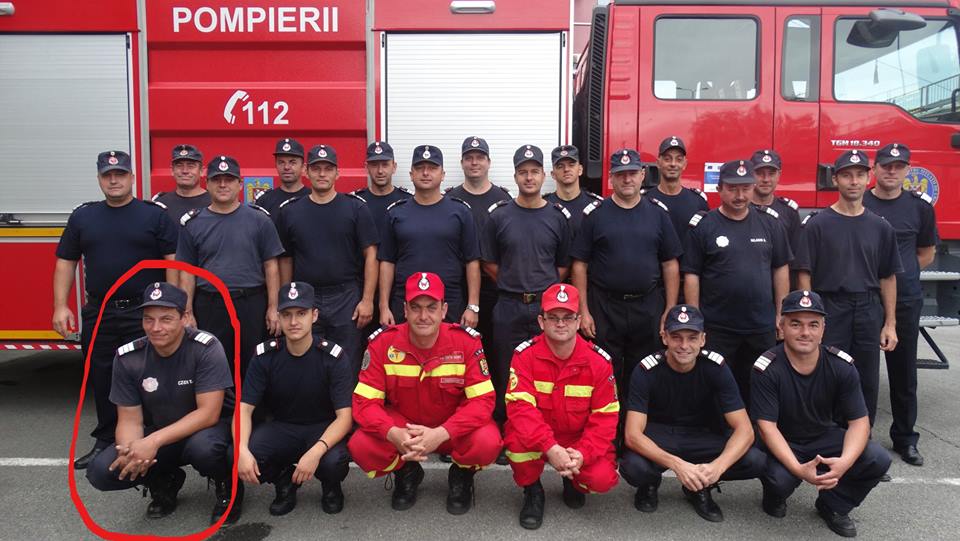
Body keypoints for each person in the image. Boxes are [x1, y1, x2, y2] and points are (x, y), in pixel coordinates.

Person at [53, 150, 178, 470]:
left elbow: (173, 263)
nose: (114, 180)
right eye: (107, 175)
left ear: (132, 178)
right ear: (99, 179)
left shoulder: (154, 216)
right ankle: (107, 440)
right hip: (101, 312)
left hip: (145, 312)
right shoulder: (83, 217)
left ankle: (154, 439)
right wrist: (60, 306)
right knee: (104, 376)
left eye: (120, 174)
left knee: (151, 375)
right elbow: (66, 261)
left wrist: (176, 308)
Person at [85, 282, 239, 525]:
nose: (156, 328)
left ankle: (227, 484)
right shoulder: (129, 357)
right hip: (163, 429)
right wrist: (131, 452)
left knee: (205, 450)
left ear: (184, 318)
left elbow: (208, 414)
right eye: (149, 319)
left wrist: (152, 441)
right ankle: (163, 479)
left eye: (166, 319)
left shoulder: (205, 348)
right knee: (102, 471)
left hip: (207, 430)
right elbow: (129, 420)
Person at [348, 272, 500, 515]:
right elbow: (364, 403)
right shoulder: (382, 344)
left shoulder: (466, 343)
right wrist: (393, 434)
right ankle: (406, 471)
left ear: (444, 310)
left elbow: (483, 401)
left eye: (431, 307)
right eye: (416, 307)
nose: (423, 316)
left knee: (487, 442)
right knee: (361, 445)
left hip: (450, 429)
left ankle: (462, 474)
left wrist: (442, 433)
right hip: (404, 432)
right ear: (405, 310)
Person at [752, 290, 891, 538]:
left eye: (813, 325)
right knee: (779, 479)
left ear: (823, 329)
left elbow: (860, 423)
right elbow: (767, 427)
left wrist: (844, 462)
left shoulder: (841, 365)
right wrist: (799, 470)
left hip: (823, 435)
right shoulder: (767, 367)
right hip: (785, 439)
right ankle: (775, 495)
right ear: (781, 327)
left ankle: (833, 505)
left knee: (876, 458)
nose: (805, 332)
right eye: (796, 324)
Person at [620, 304, 764, 523]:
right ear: (664, 337)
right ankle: (649, 484)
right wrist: (678, 465)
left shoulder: (716, 367)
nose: (684, 345)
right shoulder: (646, 370)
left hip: (702, 435)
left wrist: (717, 468)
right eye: (676, 337)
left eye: (692, 338)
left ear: (703, 339)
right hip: (660, 436)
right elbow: (632, 435)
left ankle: (700, 485)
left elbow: (745, 430)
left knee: (755, 460)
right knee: (634, 467)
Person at [570, 148, 681, 428]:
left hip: (647, 306)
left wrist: (669, 309)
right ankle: (609, 432)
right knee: (605, 371)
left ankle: (637, 433)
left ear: (642, 175)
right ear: (611, 178)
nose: (627, 179)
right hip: (605, 307)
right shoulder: (595, 215)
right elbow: (580, 264)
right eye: (621, 174)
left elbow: (670, 264)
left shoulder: (658, 214)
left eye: (632, 173)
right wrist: (584, 310)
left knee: (644, 371)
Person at [794, 150, 902, 425]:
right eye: (847, 175)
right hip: (830, 307)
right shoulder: (817, 225)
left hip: (867, 308)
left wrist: (889, 324)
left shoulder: (881, 227)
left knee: (866, 379)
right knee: (826, 374)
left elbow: (888, 277)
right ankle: (826, 437)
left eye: (859, 175)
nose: (854, 181)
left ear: (868, 178)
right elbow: (804, 274)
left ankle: (862, 440)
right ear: (835, 180)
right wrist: (812, 318)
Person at [504, 283, 619, 530]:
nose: (560, 324)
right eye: (553, 317)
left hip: (578, 440)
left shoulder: (599, 363)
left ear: (579, 321)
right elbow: (521, 410)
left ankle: (573, 480)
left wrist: (583, 454)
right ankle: (532, 490)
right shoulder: (524, 356)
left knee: (601, 478)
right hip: (538, 437)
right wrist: (550, 447)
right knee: (516, 443)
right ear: (541, 321)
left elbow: (606, 419)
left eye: (568, 317)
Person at [237, 282, 353, 516]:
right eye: (287, 314)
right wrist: (241, 449)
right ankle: (284, 482)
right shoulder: (265, 356)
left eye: (301, 313)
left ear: (314, 316)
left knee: (334, 461)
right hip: (283, 427)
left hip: (323, 427)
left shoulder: (333, 357)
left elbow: (345, 418)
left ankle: (331, 486)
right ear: (278, 317)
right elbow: (244, 408)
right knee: (241, 452)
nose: (293, 322)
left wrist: (315, 452)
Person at [682, 159, 792, 404]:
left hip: (760, 326)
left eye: (745, 188)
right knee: (716, 389)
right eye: (732, 188)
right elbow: (692, 275)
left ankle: (758, 428)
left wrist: (781, 313)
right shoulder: (704, 226)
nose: (740, 195)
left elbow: (780, 269)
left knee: (761, 386)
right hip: (718, 327)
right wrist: (695, 319)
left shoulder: (770, 223)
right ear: (719, 189)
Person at [482, 144, 572, 425]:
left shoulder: (557, 217)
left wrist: (543, 289)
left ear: (544, 175)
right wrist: (514, 282)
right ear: (515, 177)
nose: (529, 177)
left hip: (547, 310)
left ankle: (543, 428)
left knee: (546, 371)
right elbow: (488, 262)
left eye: (534, 171)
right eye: (523, 172)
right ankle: (507, 428)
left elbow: (563, 264)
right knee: (506, 370)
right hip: (508, 306)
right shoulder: (499, 216)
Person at [863, 143, 938, 466]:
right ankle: (861, 441)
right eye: (886, 166)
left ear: (907, 170)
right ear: (875, 169)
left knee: (904, 372)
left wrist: (900, 274)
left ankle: (905, 439)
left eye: (898, 166)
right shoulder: (861, 202)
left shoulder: (919, 207)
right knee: (863, 374)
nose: (891, 171)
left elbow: (926, 252)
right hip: (866, 298)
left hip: (905, 299)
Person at [275, 144, 379, 377]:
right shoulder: (290, 211)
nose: (322, 174)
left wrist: (367, 300)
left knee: (347, 361)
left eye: (328, 169)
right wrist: (286, 301)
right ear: (306, 171)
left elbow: (371, 255)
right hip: (305, 297)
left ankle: (346, 402)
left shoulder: (355, 208)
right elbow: (285, 260)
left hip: (346, 297)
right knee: (307, 361)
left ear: (337, 173)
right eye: (316, 168)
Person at [177, 155, 284, 377]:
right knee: (212, 364)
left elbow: (271, 267)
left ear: (240, 184)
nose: (223, 185)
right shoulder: (193, 224)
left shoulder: (260, 220)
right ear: (207, 184)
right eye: (217, 180)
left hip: (251, 305)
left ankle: (251, 402)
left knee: (253, 364)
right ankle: (221, 402)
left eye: (229, 180)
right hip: (210, 306)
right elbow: (186, 272)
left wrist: (274, 307)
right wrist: (187, 312)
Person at [377, 145, 481, 327]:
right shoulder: (395, 213)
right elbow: (387, 261)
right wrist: (384, 306)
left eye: (432, 168)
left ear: (443, 174)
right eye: (420, 168)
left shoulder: (460, 212)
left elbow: (472, 261)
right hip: (406, 302)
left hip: (449, 301)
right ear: (411, 174)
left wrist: (473, 306)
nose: (425, 173)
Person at [444, 136, 513, 394]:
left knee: (496, 351)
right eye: (469, 158)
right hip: (458, 290)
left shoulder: (504, 198)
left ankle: (494, 406)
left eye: (480, 157)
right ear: (462, 162)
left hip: (495, 289)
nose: (474, 163)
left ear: (488, 162)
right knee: (459, 352)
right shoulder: (450, 199)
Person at [648, 136, 709, 246]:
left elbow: (706, 239)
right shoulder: (646, 200)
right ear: (658, 163)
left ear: (685, 164)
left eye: (679, 159)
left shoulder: (698, 201)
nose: (673, 164)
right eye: (667, 159)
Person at [352, 141, 413, 240]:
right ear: (367, 168)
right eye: (374, 165)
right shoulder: (355, 202)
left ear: (394, 167)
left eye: (385, 165)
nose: (380, 171)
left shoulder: (408, 200)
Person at [749, 149, 800, 257]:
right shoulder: (740, 210)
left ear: (779, 175)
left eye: (771, 174)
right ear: (750, 175)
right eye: (760, 173)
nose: (766, 179)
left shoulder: (789, 211)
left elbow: (797, 255)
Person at [543, 145, 602, 237]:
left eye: (571, 165)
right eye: (560, 166)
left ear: (580, 170)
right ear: (553, 174)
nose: (566, 169)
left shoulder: (596, 206)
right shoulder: (543, 205)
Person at [152, 144, 211, 222]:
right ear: (172, 170)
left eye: (191, 166)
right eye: (179, 165)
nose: (185, 171)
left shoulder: (214, 203)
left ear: (201, 171)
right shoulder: (161, 203)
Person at [254, 138, 310, 217]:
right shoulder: (264, 200)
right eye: (281, 162)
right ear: (276, 165)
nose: (286, 167)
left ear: (303, 167)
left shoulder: (313, 198)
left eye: (292, 162)